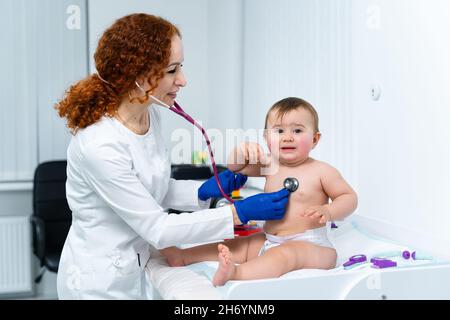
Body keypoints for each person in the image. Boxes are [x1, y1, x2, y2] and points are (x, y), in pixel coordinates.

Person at [54, 13, 290, 299]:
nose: (183, 80)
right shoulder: (99, 145)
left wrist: (205, 190)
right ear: (138, 76)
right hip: (99, 281)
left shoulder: (149, 115)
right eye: (171, 70)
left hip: (136, 265)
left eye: (181, 67)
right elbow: (158, 227)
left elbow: (154, 188)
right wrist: (239, 212)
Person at [161, 97, 358, 286]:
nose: (288, 137)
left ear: (315, 139)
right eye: (279, 131)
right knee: (240, 245)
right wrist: (242, 151)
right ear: (266, 138)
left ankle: (236, 272)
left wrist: (329, 211)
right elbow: (236, 167)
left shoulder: (321, 171)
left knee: (285, 255)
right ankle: (184, 256)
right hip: (270, 239)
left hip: (310, 244)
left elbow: (348, 197)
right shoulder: (270, 164)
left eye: (297, 130)